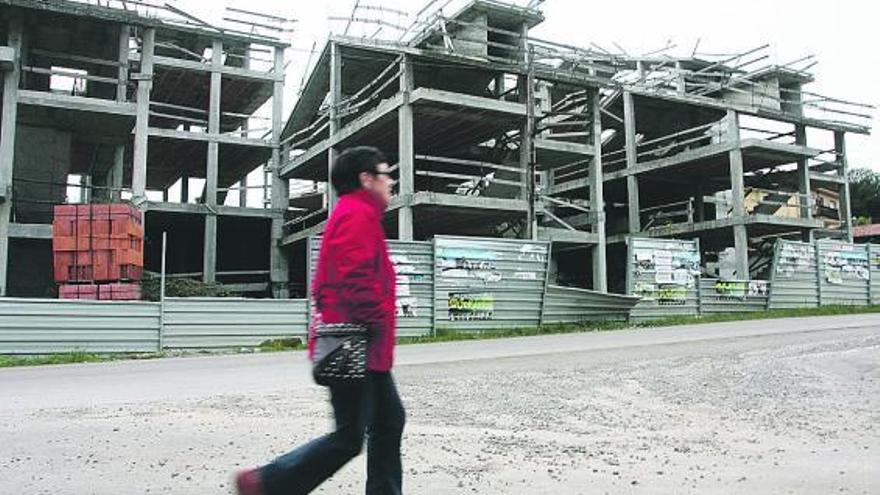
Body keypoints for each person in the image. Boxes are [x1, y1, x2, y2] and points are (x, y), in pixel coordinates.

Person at [235, 146, 404, 495]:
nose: (391, 182)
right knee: (348, 437)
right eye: (386, 174)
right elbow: (353, 281)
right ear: (366, 179)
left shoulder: (358, 215)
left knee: (388, 421)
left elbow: (330, 284)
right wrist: (375, 319)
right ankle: (266, 482)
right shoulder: (355, 215)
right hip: (356, 347)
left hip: (364, 346)